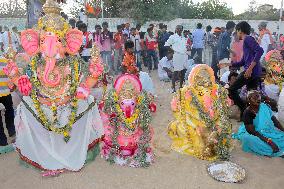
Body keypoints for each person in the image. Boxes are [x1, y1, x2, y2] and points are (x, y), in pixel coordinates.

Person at [168, 65, 232, 160]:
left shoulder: (217, 89)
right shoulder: (187, 91)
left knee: (222, 127)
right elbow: (177, 108)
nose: (204, 81)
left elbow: (225, 106)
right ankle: (208, 144)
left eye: (206, 78)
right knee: (188, 130)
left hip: (214, 119)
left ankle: (212, 142)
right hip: (193, 121)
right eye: (200, 78)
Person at [219, 21, 264, 117]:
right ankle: (252, 116)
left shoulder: (247, 38)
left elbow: (260, 51)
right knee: (252, 96)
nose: (236, 33)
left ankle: (244, 110)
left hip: (251, 72)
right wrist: (227, 64)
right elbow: (243, 62)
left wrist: (249, 69)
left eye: (236, 31)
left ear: (240, 30)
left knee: (231, 90)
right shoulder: (246, 41)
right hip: (254, 72)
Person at [233, 90, 284, 157]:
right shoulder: (247, 113)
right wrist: (269, 142)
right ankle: (273, 150)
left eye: (258, 96)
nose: (257, 99)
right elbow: (253, 132)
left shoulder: (264, 106)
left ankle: (274, 148)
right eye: (254, 98)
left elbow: (275, 121)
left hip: (268, 130)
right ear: (249, 100)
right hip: (256, 133)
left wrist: (283, 130)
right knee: (248, 139)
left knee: (280, 136)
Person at [165, 25, 189, 93]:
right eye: (177, 29)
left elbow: (184, 47)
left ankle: (181, 86)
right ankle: (173, 87)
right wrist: (173, 51)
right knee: (175, 72)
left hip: (183, 56)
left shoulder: (183, 37)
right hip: (177, 56)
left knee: (182, 72)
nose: (178, 30)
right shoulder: (172, 37)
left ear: (182, 30)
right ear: (175, 29)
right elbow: (167, 45)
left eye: (180, 29)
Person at [0, 57, 15, 154]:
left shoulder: (5, 60)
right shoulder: (5, 60)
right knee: (9, 113)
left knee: (9, 113)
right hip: (6, 92)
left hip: (6, 91)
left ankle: (3, 142)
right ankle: (11, 133)